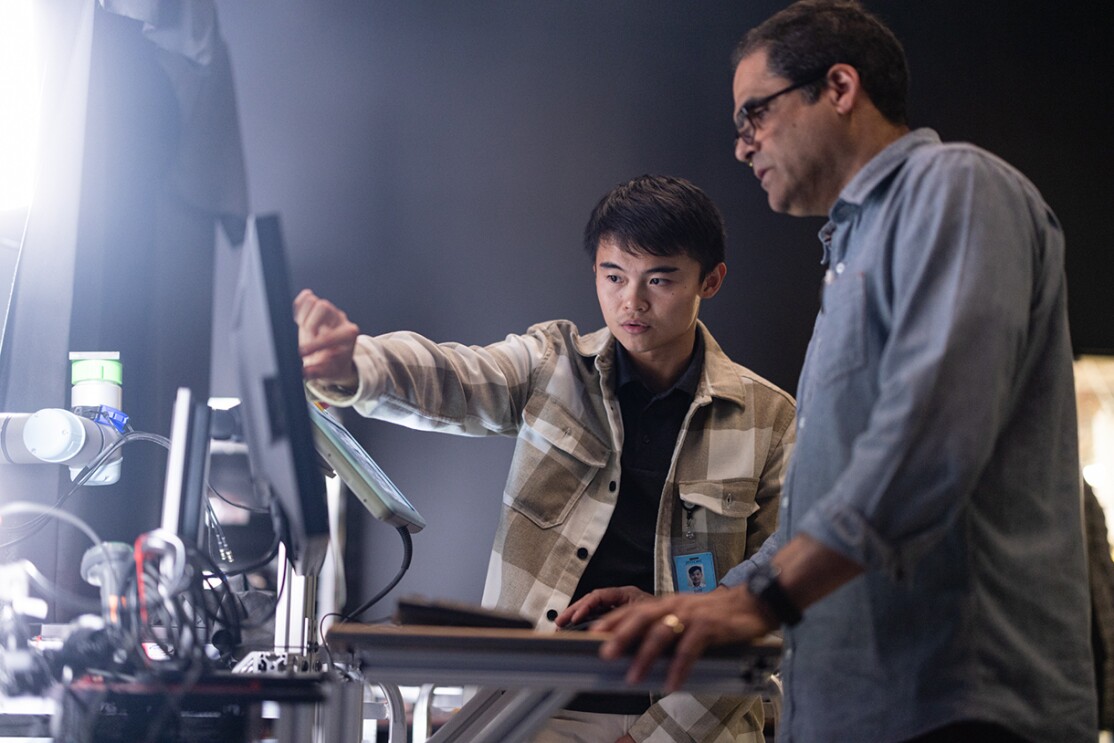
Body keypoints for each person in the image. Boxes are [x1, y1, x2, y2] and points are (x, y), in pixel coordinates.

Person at [586, 3, 1099, 741]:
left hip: (958, 708)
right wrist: (694, 602)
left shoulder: (954, 187)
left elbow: (930, 441)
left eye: (754, 114)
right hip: (854, 710)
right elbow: (819, 506)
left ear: (838, 87)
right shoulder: (850, 250)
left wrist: (756, 600)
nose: (742, 146)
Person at [295, 174, 796, 742]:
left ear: (711, 280)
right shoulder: (551, 365)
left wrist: (656, 737)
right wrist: (355, 367)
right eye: (614, 276)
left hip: (694, 719)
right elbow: (455, 375)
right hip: (531, 709)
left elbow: (780, 602)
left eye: (659, 279)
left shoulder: (770, 418)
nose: (631, 301)